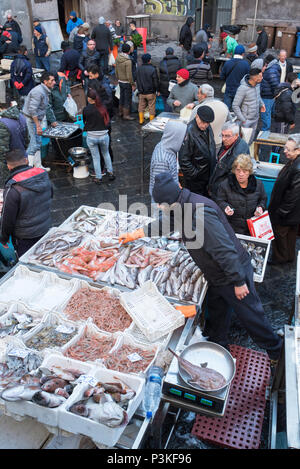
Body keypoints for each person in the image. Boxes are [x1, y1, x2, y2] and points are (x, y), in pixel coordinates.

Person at [151, 172, 282, 364]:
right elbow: (168, 223)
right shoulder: (181, 206)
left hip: (232, 273)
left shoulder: (199, 213)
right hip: (218, 275)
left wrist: (238, 281)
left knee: (251, 316)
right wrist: (139, 233)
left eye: (160, 203)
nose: (159, 207)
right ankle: (217, 343)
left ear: (169, 200)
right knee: (217, 309)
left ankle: (276, 351)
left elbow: (224, 251)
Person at [0, 149, 53, 257]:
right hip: (45, 227)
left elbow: (7, 219)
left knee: (29, 262)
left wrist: (4, 238)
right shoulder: (43, 175)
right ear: (26, 161)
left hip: (25, 237)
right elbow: (51, 195)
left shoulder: (13, 188)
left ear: (9, 167)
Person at [268, 134, 300, 265]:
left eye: (288, 149)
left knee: (281, 235)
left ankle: (280, 258)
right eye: (285, 148)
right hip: (293, 213)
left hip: (287, 213)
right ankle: (289, 256)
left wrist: (281, 212)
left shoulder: (297, 168)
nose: (284, 151)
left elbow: (293, 195)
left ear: (298, 150)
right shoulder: (295, 162)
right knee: (290, 235)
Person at [216, 154, 267, 235]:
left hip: (252, 229)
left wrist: (260, 207)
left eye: (244, 171)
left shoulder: (258, 184)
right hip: (232, 228)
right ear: (234, 170)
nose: (241, 174)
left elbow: (263, 199)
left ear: (249, 172)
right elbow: (219, 200)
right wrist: (225, 207)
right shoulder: (225, 185)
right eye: (238, 170)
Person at [22, 71, 57, 172]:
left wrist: (53, 120)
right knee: (34, 144)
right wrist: (38, 125)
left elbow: (48, 106)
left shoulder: (45, 91)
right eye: (52, 80)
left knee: (38, 142)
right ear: (45, 82)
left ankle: (38, 166)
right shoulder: (39, 92)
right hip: (31, 120)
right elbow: (32, 110)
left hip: (36, 119)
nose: (54, 82)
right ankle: (27, 170)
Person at [179, 105, 216, 196]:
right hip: (196, 181)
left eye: (207, 123)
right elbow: (183, 160)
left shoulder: (207, 127)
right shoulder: (188, 132)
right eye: (203, 122)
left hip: (207, 176)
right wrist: (195, 174)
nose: (205, 125)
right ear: (197, 117)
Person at [209, 121, 250, 198]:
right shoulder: (229, 143)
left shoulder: (237, 153)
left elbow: (232, 178)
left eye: (227, 136)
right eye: (222, 135)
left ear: (236, 135)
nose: (224, 139)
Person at [83, 87, 115, 184]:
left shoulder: (86, 109)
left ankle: (98, 177)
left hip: (92, 136)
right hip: (104, 135)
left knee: (96, 157)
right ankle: (111, 173)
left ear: (89, 99)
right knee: (106, 154)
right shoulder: (103, 108)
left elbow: (85, 121)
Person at [149, 120, 187, 200]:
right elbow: (161, 188)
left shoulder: (168, 148)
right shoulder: (161, 160)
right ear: (175, 137)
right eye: (183, 136)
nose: (184, 139)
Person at [189, 84, 231, 150]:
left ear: (204, 96)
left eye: (198, 93)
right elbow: (230, 123)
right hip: (219, 143)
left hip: (202, 145)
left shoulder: (199, 109)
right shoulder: (223, 105)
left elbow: (189, 128)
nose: (197, 95)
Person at [232, 68, 265, 145]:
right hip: (246, 120)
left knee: (250, 140)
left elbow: (258, 97)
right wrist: (243, 119)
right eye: (260, 76)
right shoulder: (242, 88)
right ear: (255, 78)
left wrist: (262, 104)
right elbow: (235, 105)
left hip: (255, 118)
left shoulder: (257, 85)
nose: (262, 77)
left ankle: (247, 156)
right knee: (243, 142)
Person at [0, 103, 28, 186]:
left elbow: (2, 150)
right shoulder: (21, 116)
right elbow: (27, 140)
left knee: (9, 186)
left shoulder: (2, 123)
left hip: (9, 164)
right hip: (22, 157)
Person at [220, 45, 250, 110]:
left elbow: (222, 77)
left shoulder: (227, 63)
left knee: (226, 111)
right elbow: (248, 79)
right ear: (243, 54)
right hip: (240, 93)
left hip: (228, 90)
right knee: (237, 112)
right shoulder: (246, 64)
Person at [115, 43, 135, 120]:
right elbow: (129, 74)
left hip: (120, 81)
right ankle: (126, 115)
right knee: (127, 99)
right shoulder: (128, 61)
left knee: (121, 97)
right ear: (129, 51)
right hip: (127, 82)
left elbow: (116, 70)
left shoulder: (118, 57)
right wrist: (132, 84)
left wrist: (118, 78)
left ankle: (120, 112)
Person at [260, 54, 281, 131]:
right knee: (268, 113)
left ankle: (265, 132)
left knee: (265, 114)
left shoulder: (270, 70)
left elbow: (275, 84)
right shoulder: (274, 68)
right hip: (270, 95)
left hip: (267, 96)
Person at [136, 53, 159, 125]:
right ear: (149, 60)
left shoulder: (138, 69)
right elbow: (155, 82)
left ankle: (141, 120)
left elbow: (136, 79)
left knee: (141, 106)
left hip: (141, 92)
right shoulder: (153, 69)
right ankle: (151, 122)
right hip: (151, 93)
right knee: (151, 107)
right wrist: (157, 90)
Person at [158, 47, 181, 112]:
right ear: (173, 53)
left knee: (166, 102)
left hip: (164, 87)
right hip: (175, 86)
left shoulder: (162, 63)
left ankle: (167, 115)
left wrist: (158, 89)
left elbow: (159, 77)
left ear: (165, 54)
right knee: (175, 101)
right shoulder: (178, 62)